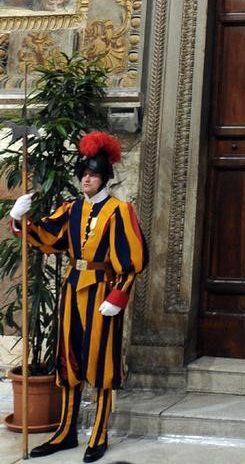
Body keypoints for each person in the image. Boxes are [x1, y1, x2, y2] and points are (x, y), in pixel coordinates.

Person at [9, 131, 148, 463]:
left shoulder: (119, 210)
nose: (87, 177)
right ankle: (66, 431)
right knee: (68, 361)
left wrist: (118, 296)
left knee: (100, 363)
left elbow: (134, 258)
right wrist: (19, 219)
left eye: (94, 173)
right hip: (72, 291)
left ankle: (99, 432)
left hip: (102, 291)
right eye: (84, 173)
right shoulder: (70, 209)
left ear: (104, 178)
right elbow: (46, 237)